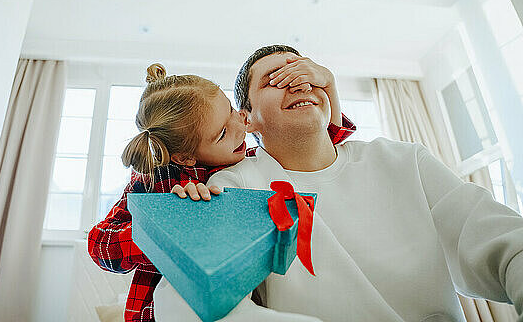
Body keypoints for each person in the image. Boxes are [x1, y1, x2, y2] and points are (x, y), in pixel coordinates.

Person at [179, 44, 523, 322]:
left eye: (306, 73)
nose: (300, 82)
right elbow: (193, 302)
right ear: (247, 118)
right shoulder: (232, 187)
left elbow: (503, 242)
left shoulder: (404, 161)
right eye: (275, 79)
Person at [87, 62, 356, 322]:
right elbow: (101, 245)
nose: (241, 125)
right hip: (158, 314)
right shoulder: (153, 181)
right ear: (185, 158)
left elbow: (313, 147)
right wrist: (172, 221)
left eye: (230, 109)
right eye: (223, 132)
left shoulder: (244, 161)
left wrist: (328, 85)